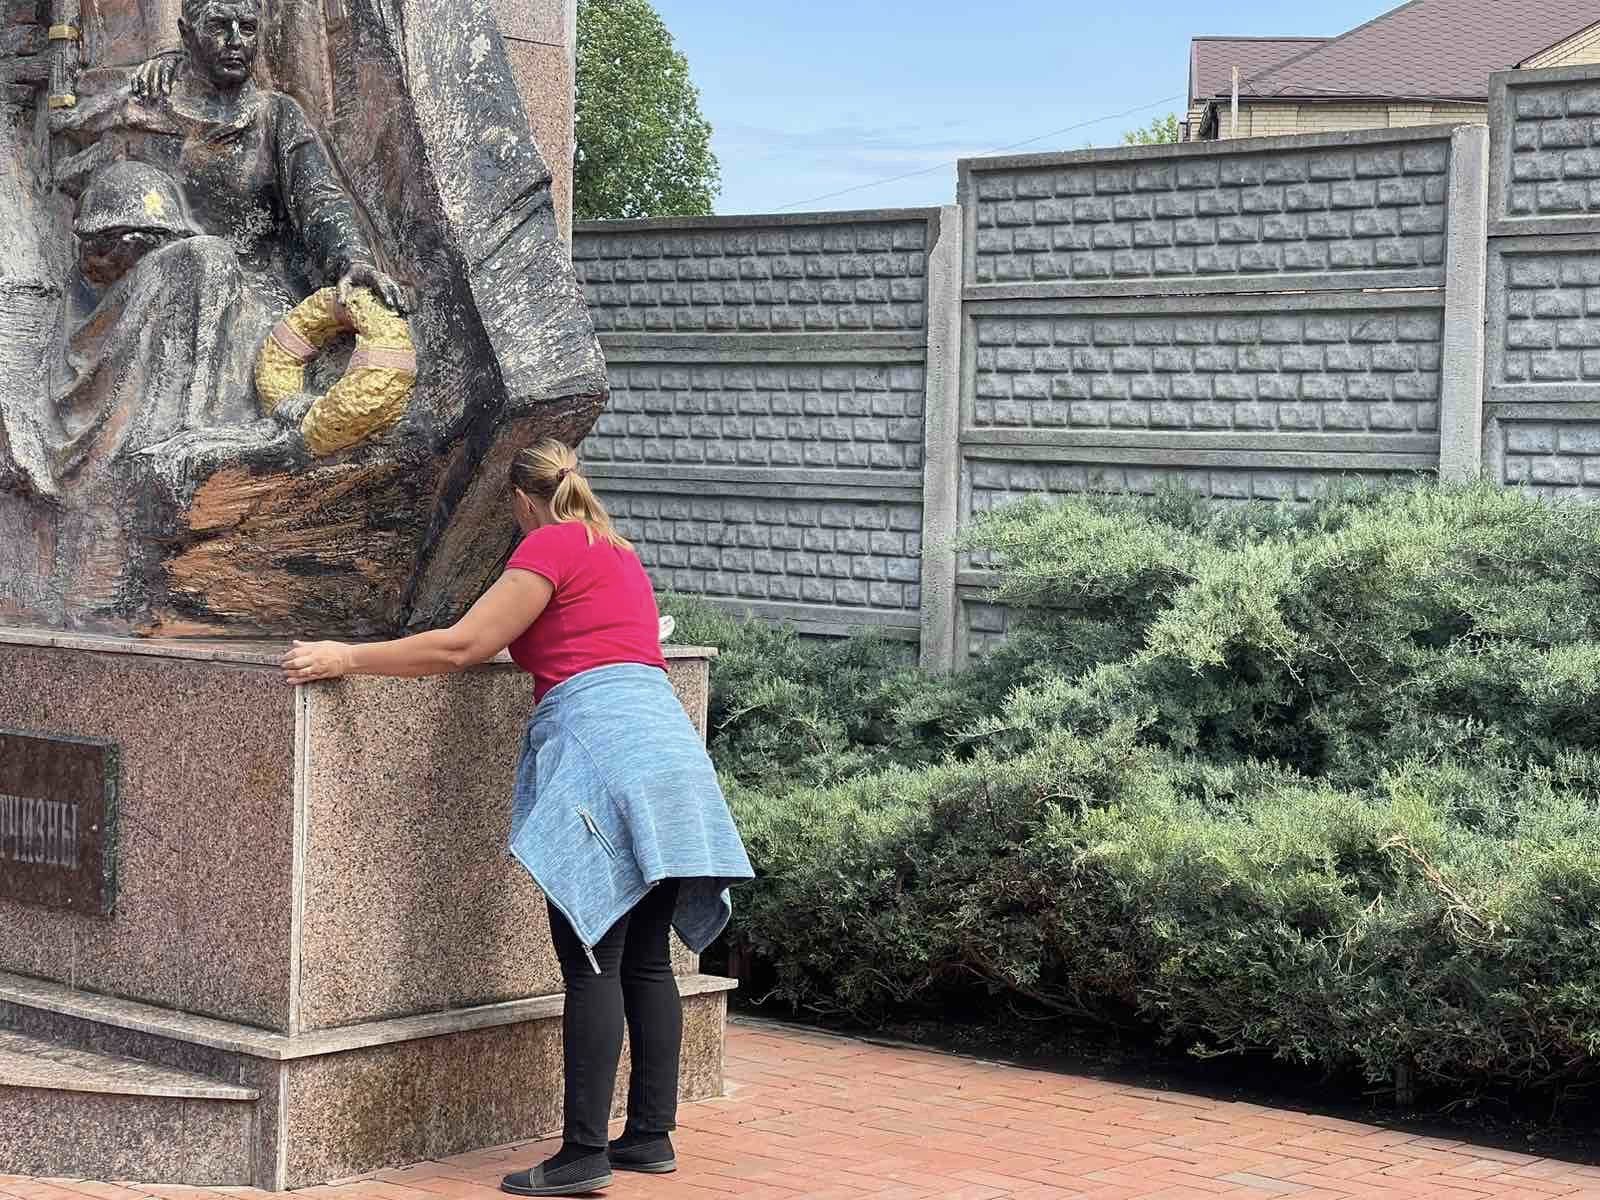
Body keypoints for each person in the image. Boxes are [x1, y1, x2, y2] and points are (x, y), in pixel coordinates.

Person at [281, 439, 754, 1198]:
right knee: (646, 960)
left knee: (592, 957)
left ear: (521, 501)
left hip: (606, 756)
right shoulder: (616, 551)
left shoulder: (548, 546)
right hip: (669, 754)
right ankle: (649, 1136)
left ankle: (582, 1155)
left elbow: (463, 646)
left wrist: (347, 657)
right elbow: (581, 639)